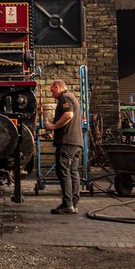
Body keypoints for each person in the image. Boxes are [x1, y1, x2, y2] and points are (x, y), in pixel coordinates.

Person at [42, 79, 83, 214]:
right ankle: (73, 203)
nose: (52, 93)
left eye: (53, 90)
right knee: (73, 172)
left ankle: (67, 204)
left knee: (63, 171)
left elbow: (68, 115)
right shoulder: (72, 97)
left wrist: (53, 126)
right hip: (76, 142)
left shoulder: (64, 97)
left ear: (58, 87)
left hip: (67, 143)